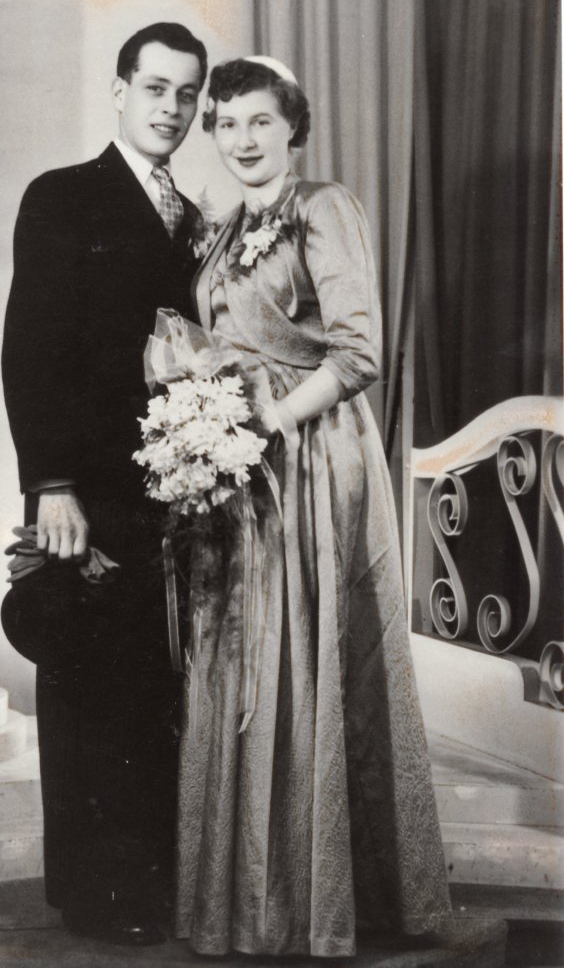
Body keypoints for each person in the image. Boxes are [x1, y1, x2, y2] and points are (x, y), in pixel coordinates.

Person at [174, 57, 452, 958]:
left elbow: (358, 351)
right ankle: (254, 901)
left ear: (294, 126)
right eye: (226, 124)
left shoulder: (322, 207)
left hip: (312, 456)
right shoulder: (222, 227)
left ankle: (324, 899)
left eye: (261, 121)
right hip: (239, 467)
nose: (243, 140)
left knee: (310, 657)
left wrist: (268, 421)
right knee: (250, 661)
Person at [1, 23, 207, 945]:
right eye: (155, 88)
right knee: (90, 682)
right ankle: (92, 894)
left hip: (176, 489)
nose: (172, 108)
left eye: (187, 93)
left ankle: (147, 886)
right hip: (83, 489)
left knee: (151, 688)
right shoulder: (64, 195)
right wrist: (50, 484)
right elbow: (30, 351)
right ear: (120, 90)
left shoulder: (194, 219)